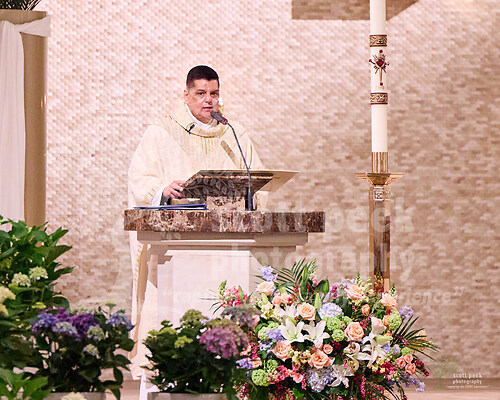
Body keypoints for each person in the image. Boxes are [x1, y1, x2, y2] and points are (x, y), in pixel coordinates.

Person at [127, 65, 265, 379]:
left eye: (213, 93)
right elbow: (139, 177)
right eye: (201, 93)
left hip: (227, 248)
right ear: (186, 95)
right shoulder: (162, 131)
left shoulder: (234, 134)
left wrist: (249, 196)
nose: (208, 100)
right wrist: (162, 189)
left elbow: (255, 179)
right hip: (174, 245)